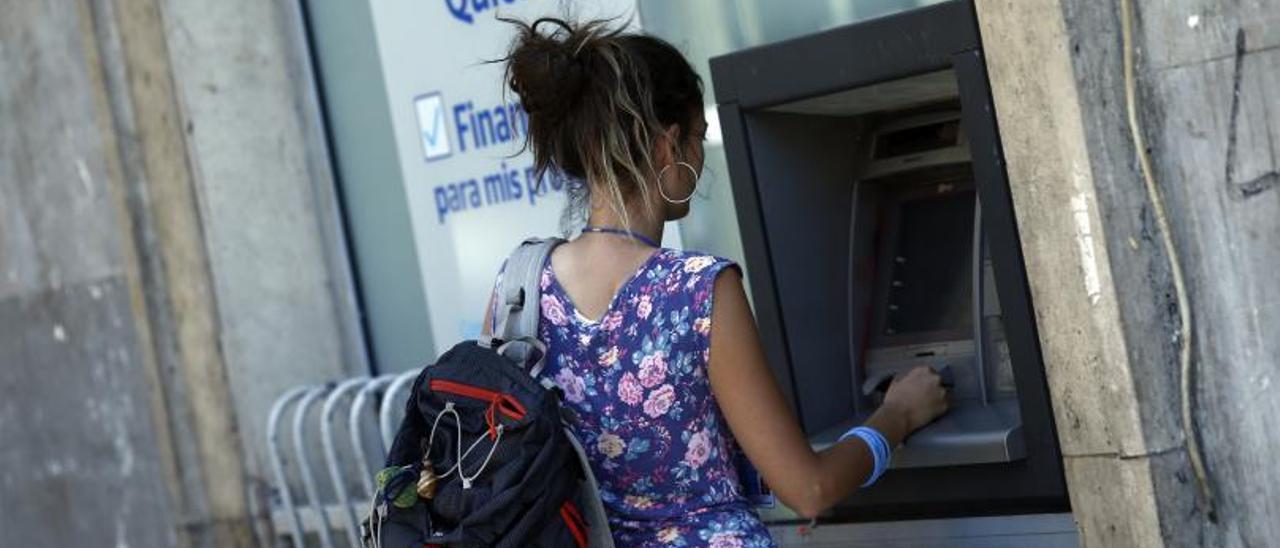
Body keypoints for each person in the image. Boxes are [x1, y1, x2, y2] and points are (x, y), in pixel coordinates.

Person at [483, 17, 949, 547]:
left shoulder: (519, 287)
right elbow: (809, 488)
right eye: (698, 139)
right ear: (666, 145)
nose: (701, 163)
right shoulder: (697, 290)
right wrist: (898, 414)